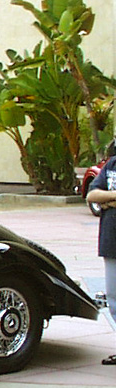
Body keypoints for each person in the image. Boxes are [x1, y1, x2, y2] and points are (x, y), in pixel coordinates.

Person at [86, 148, 116, 364]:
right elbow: (92, 195)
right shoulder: (112, 165)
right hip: (111, 241)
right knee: (114, 299)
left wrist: (108, 201)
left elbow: (100, 198)